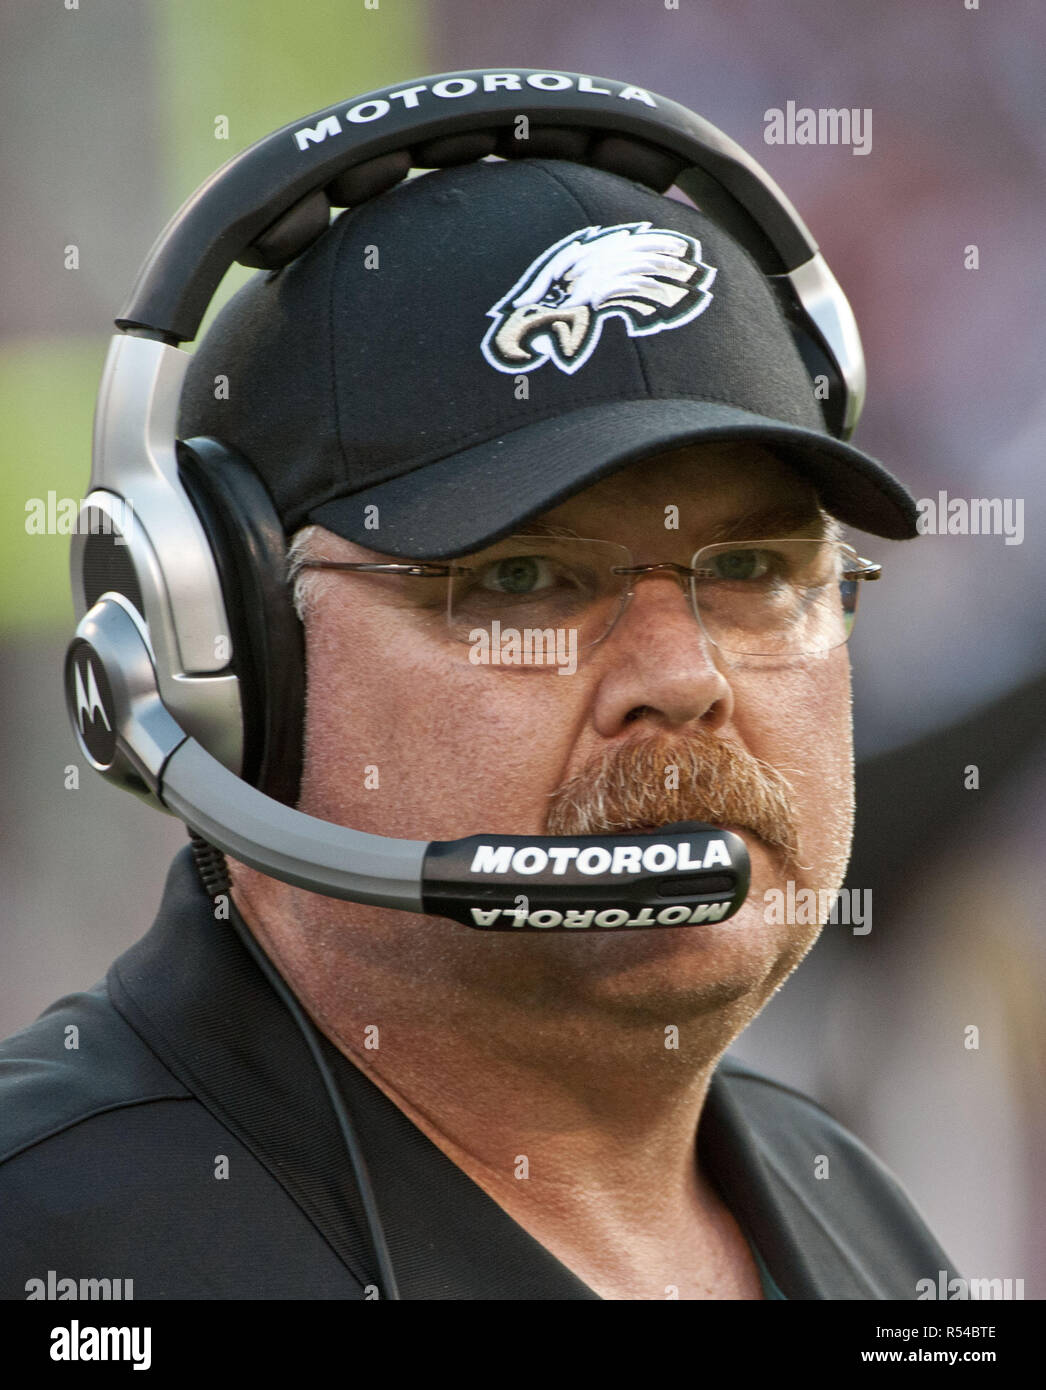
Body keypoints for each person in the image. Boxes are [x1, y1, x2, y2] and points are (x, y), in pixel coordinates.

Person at [1, 131, 959, 1301]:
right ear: (232, 662)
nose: (681, 675)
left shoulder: (862, 1221)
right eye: (522, 578)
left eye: (754, 567)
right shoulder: (46, 1241)